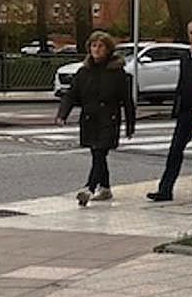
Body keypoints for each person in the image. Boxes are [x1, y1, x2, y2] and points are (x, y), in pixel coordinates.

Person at [55, 30, 135, 206]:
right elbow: (71, 94)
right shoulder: (84, 72)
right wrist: (62, 114)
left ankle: (89, 188)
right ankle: (105, 187)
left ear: (108, 49)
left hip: (109, 118)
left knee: (100, 152)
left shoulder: (117, 73)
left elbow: (127, 100)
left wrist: (130, 125)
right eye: (93, 45)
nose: (96, 49)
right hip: (90, 119)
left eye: (101, 46)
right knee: (97, 154)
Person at [147, 19, 192, 202]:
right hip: (186, 112)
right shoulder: (185, 57)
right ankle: (165, 189)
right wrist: (177, 107)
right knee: (175, 150)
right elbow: (182, 83)